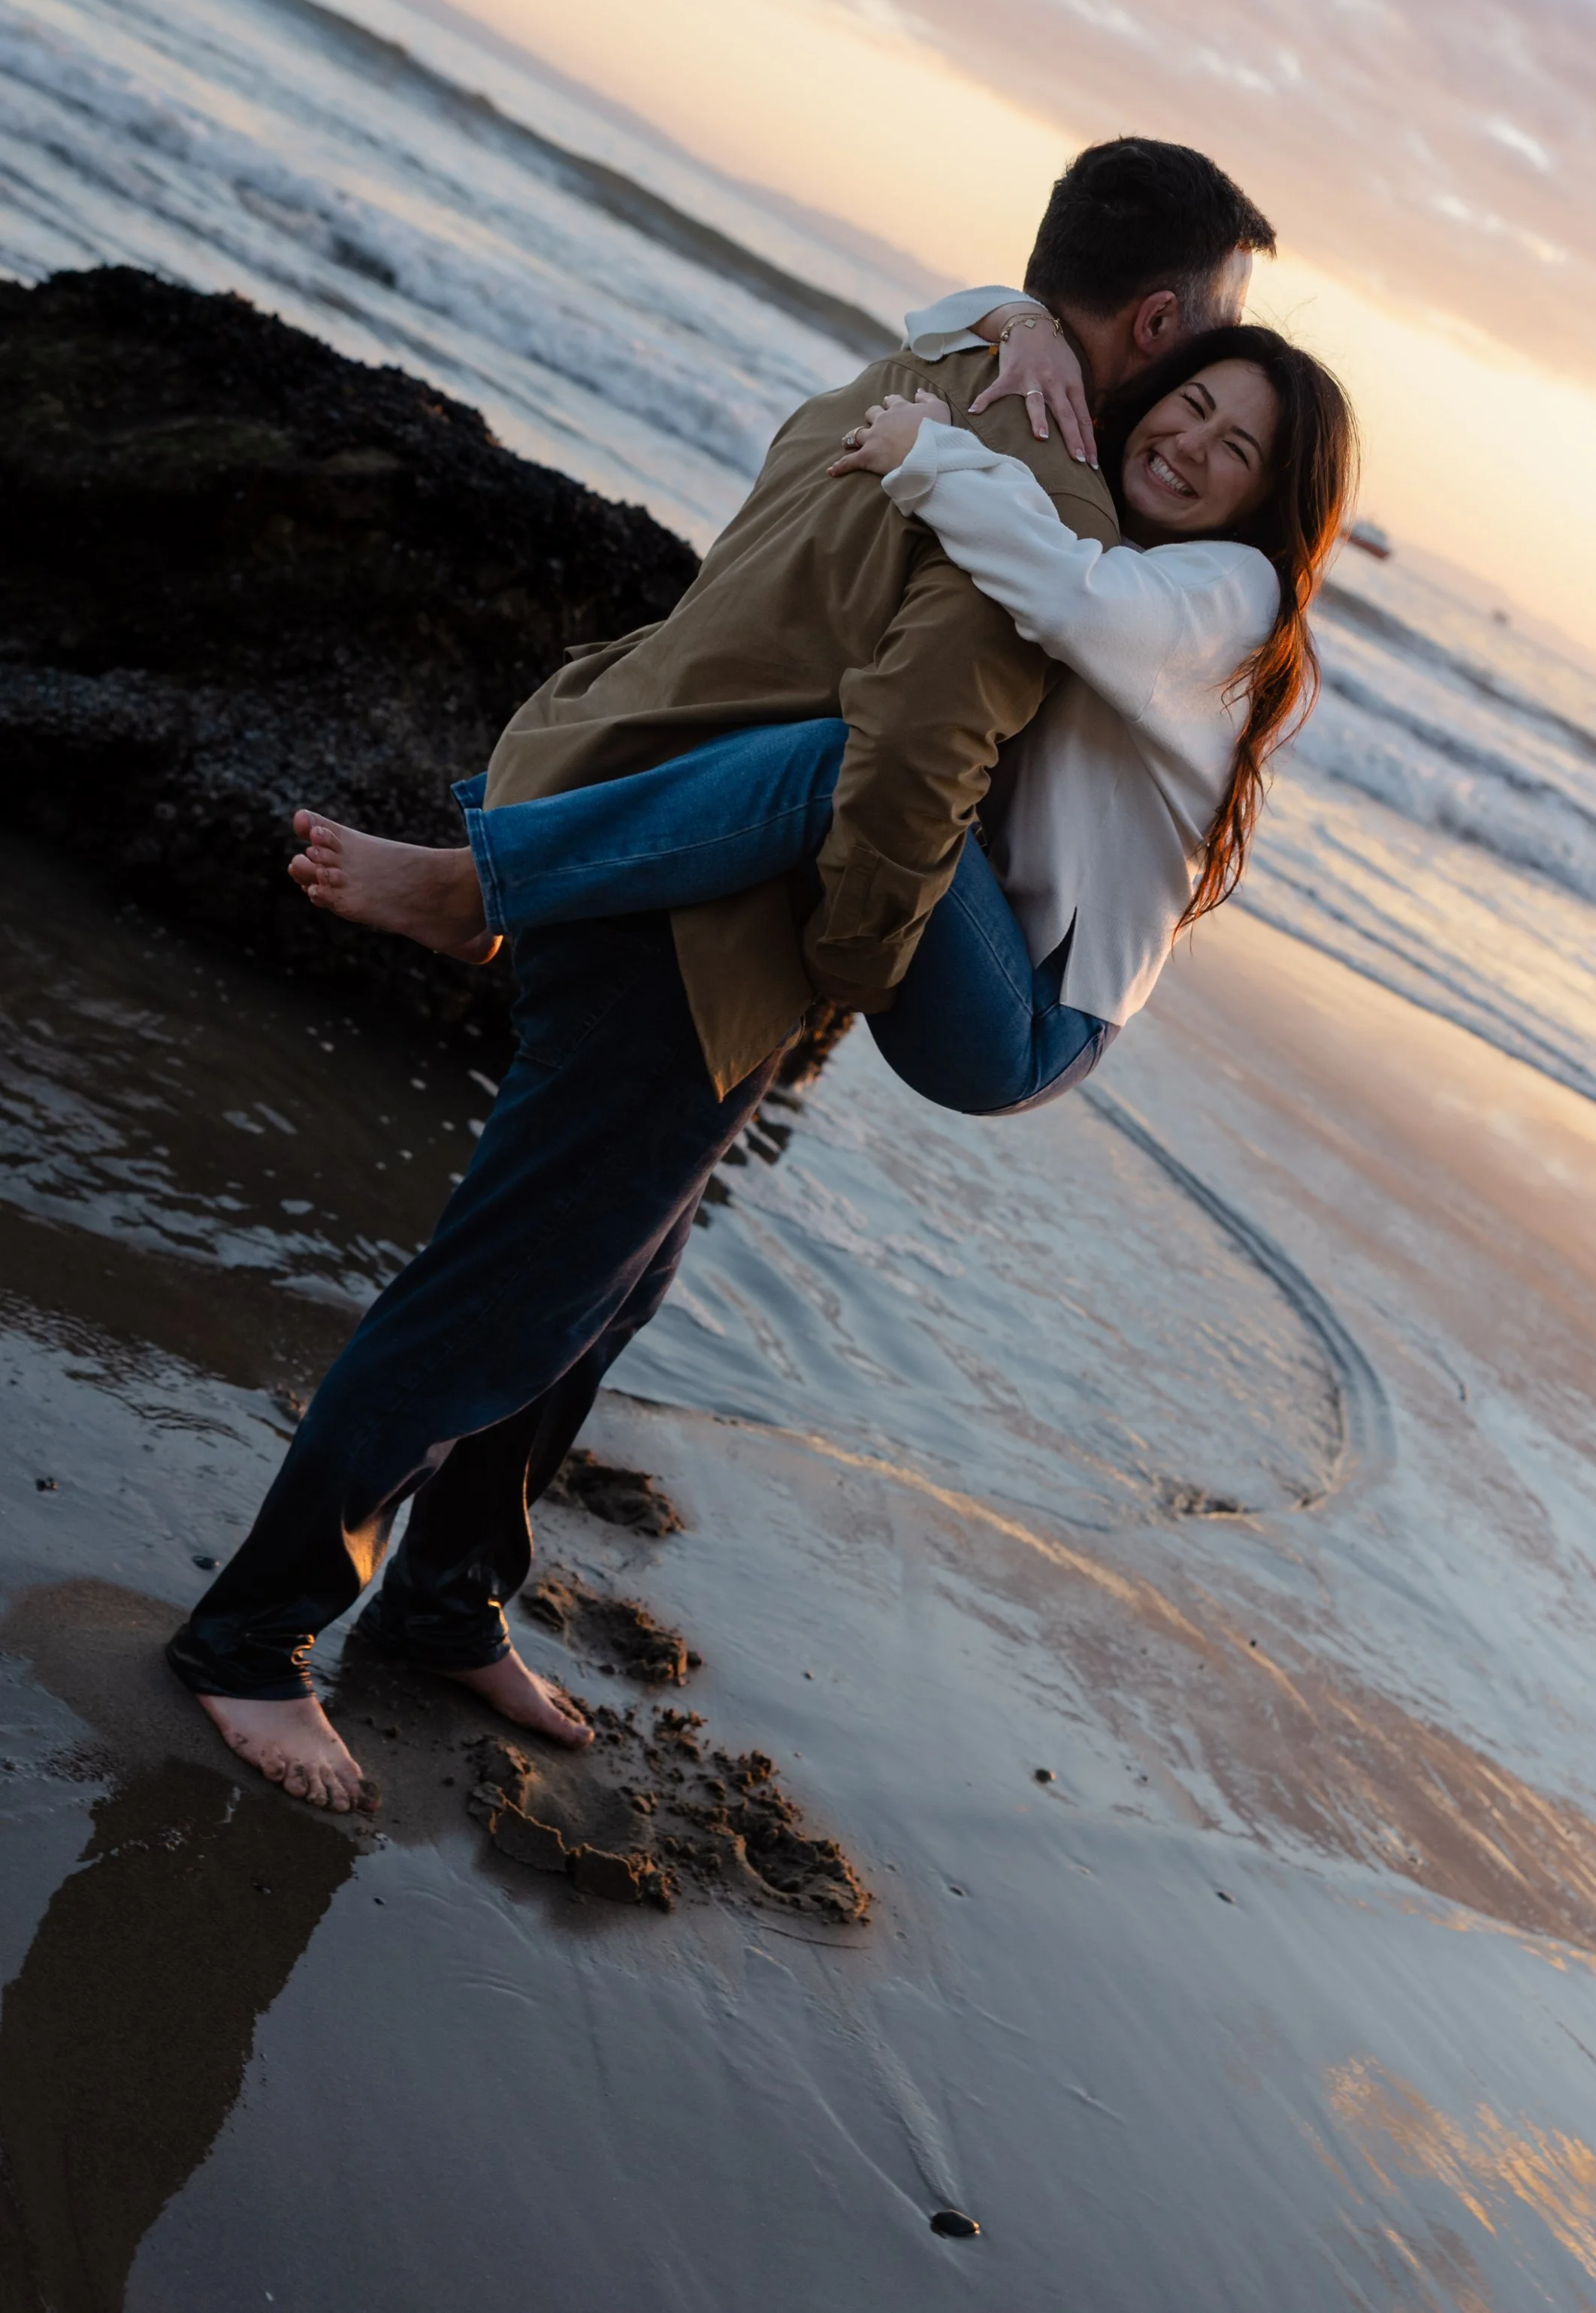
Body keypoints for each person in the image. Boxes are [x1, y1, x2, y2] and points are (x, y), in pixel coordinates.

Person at [165, 139, 1277, 1811]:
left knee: (613, 1281)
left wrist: (1013, 318)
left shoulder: (930, 366)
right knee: (508, 1293)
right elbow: (907, 760)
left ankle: (449, 1596)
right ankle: (253, 1638)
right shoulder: (1051, 503)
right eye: (1210, 341)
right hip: (689, 923)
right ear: (1163, 321)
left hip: (608, 789)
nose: (1200, 394)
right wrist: (850, 965)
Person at [290, 322, 1356, 1120]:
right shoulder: (1143, 543)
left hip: (1026, 1018)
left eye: (1236, 448)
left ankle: (481, 886)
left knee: (838, 760)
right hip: (979, 938)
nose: (1191, 441)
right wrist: (1026, 325)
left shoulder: (1238, 594)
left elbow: (1074, 599)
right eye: (1193, 403)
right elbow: (968, 312)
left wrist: (930, 455)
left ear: (1264, 503)